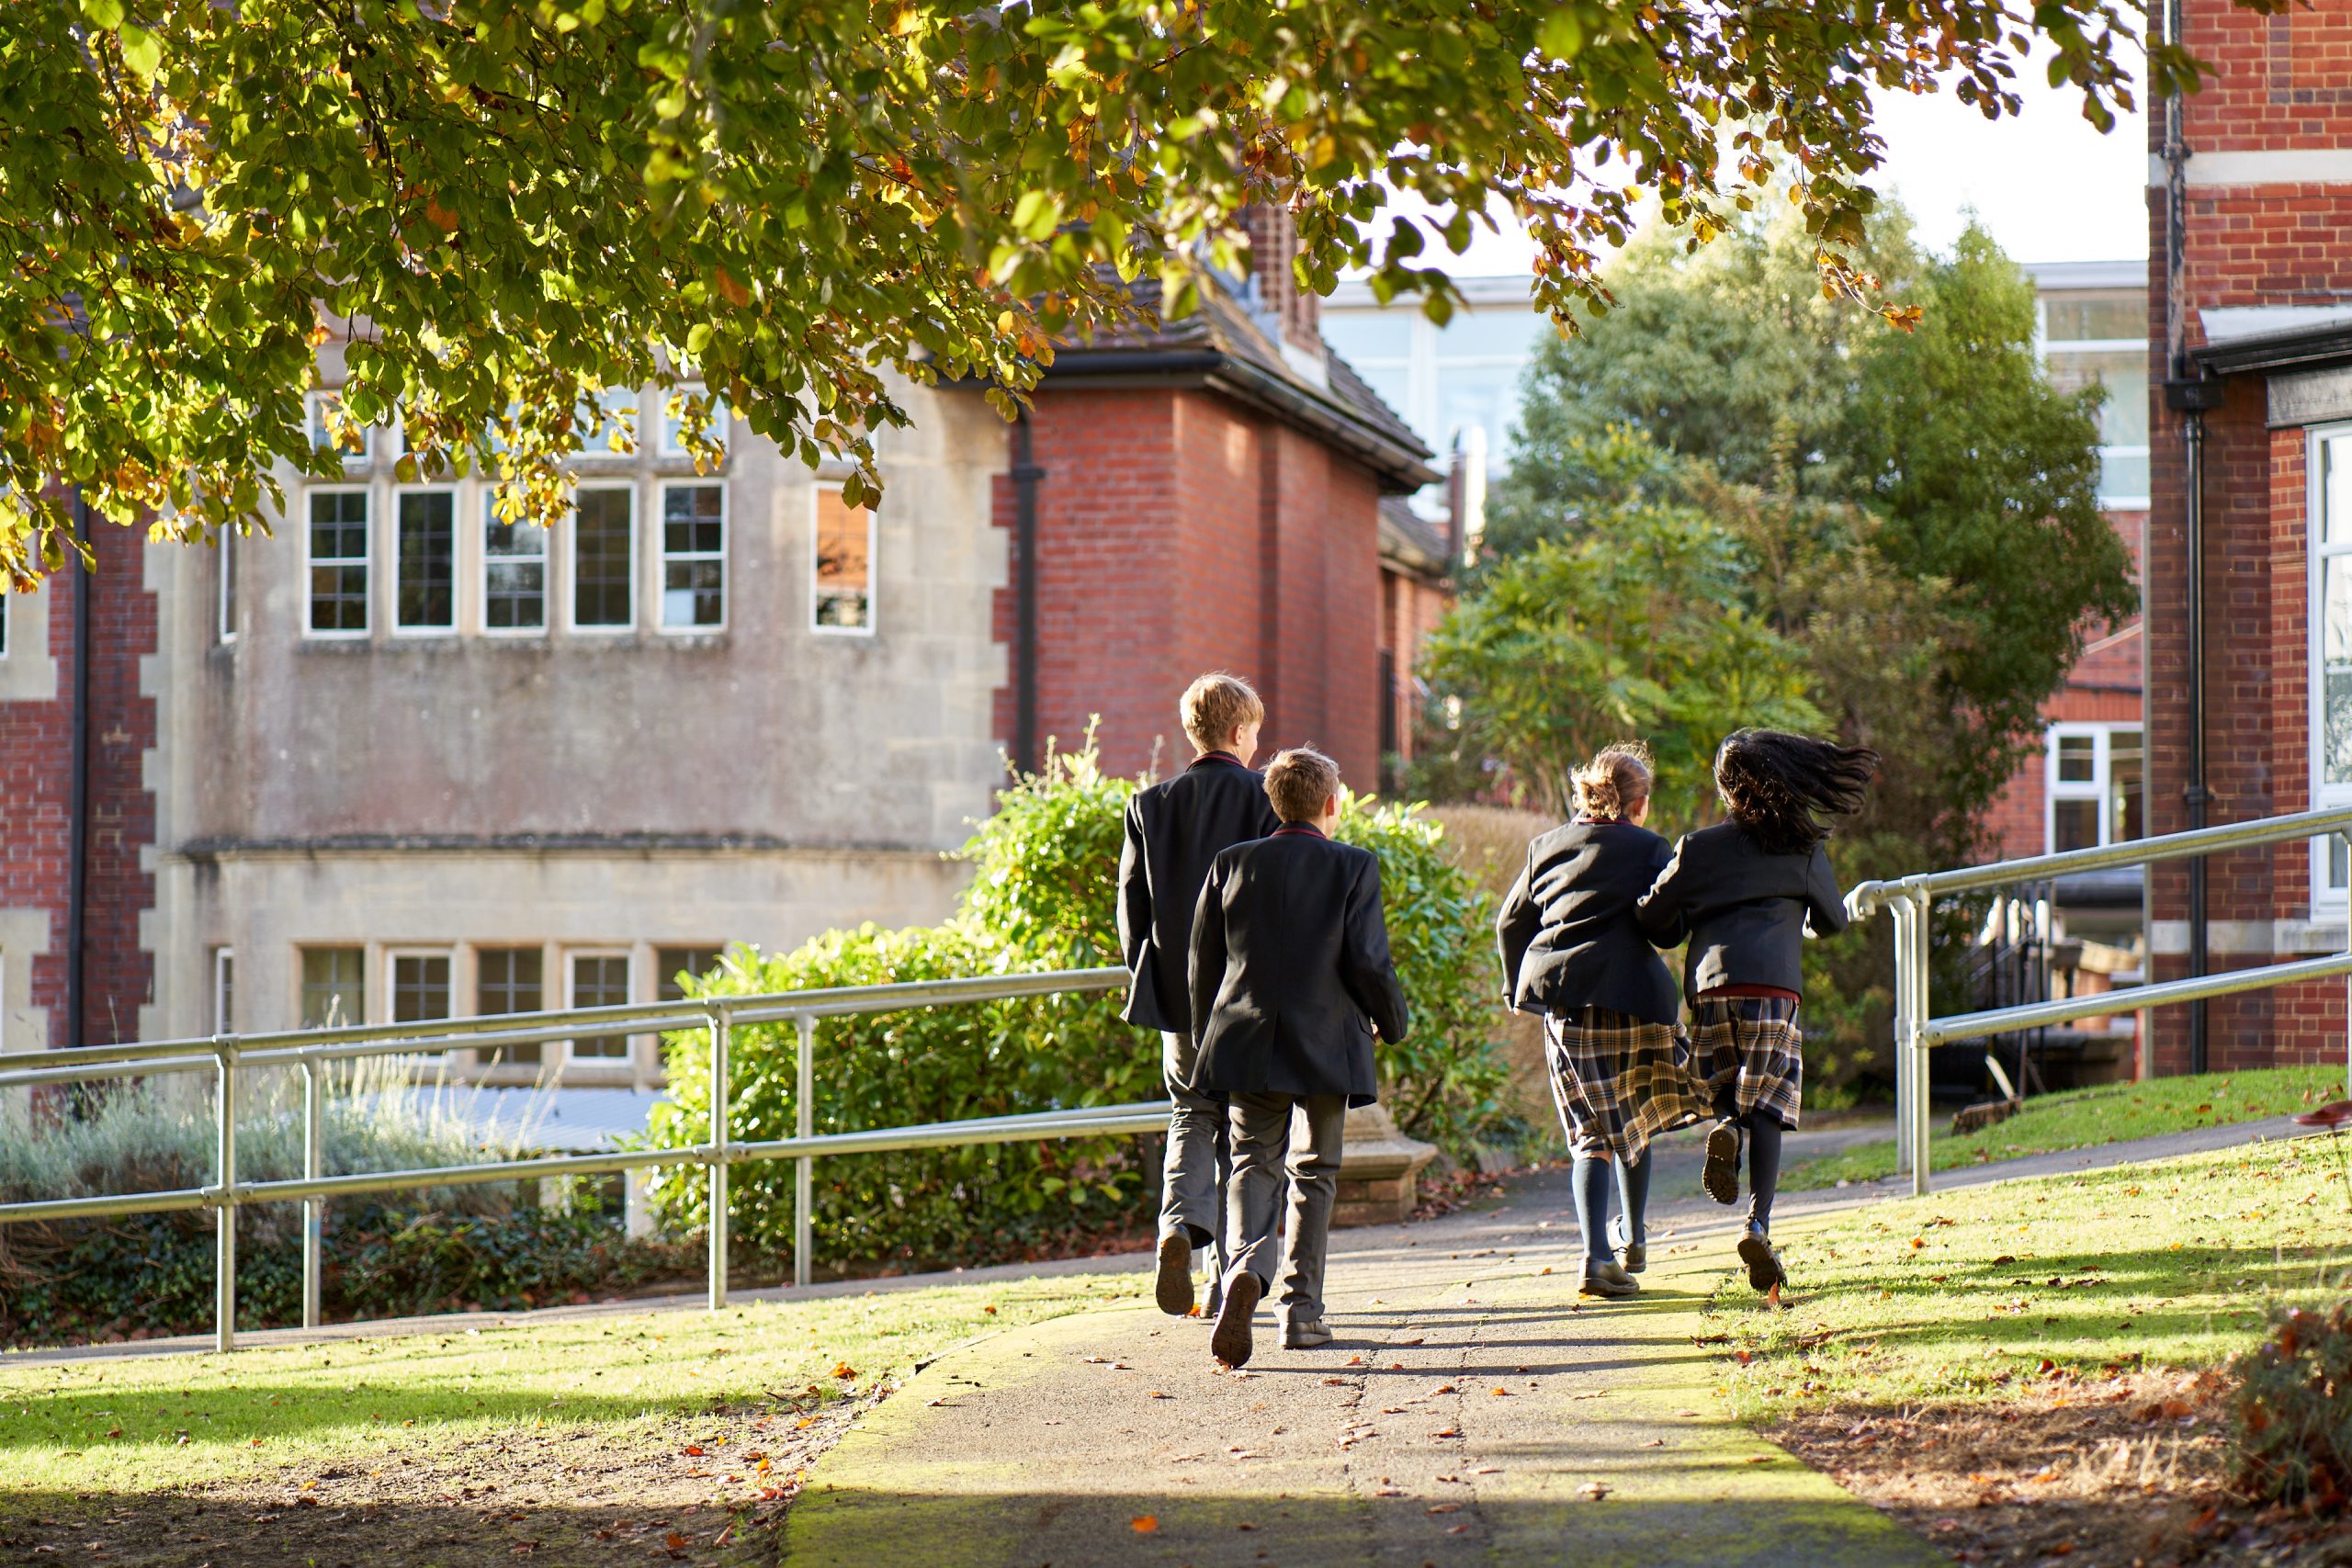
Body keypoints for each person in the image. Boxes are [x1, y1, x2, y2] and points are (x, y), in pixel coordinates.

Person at [1637, 728, 1879, 1303]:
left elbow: (1652, 917)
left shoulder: (1697, 847)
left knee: (1723, 1084)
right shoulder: (1801, 849)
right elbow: (1833, 921)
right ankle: (1757, 1223)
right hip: (1774, 986)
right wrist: (1802, 914)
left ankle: (1724, 1125)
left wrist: (1686, 915)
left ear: (1727, 788)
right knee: (1768, 1104)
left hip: (1712, 986)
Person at [1189, 747, 1409, 1368]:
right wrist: (1393, 1023)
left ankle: (1246, 1267)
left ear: (1273, 800)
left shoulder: (1232, 863)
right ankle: (1301, 1311)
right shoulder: (1353, 865)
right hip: (1327, 1042)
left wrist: (1209, 1036)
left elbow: (1203, 964)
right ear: (1332, 803)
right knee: (1314, 1171)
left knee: (1250, 1163)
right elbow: (1368, 961)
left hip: (1246, 1039)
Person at [1497, 741, 1708, 1300]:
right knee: (1636, 1118)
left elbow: (1509, 923)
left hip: (1568, 1004)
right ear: (1639, 804)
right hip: (1638, 1001)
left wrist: (1515, 986)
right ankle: (1634, 1240)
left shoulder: (1546, 846)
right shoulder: (1649, 847)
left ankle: (1596, 1257)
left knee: (1590, 1132)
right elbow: (1667, 930)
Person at [1117, 672, 1283, 1320]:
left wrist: (1150, 972)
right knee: (1251, 1134)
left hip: (1179, 996)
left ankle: (1178, 1226)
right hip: (1250, 992)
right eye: (1256, 733)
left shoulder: (1148, 805)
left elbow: (1132, 910)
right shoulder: (1266, 798)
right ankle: (1234, 1274)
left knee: (1191, 1112)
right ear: (1239, 732)